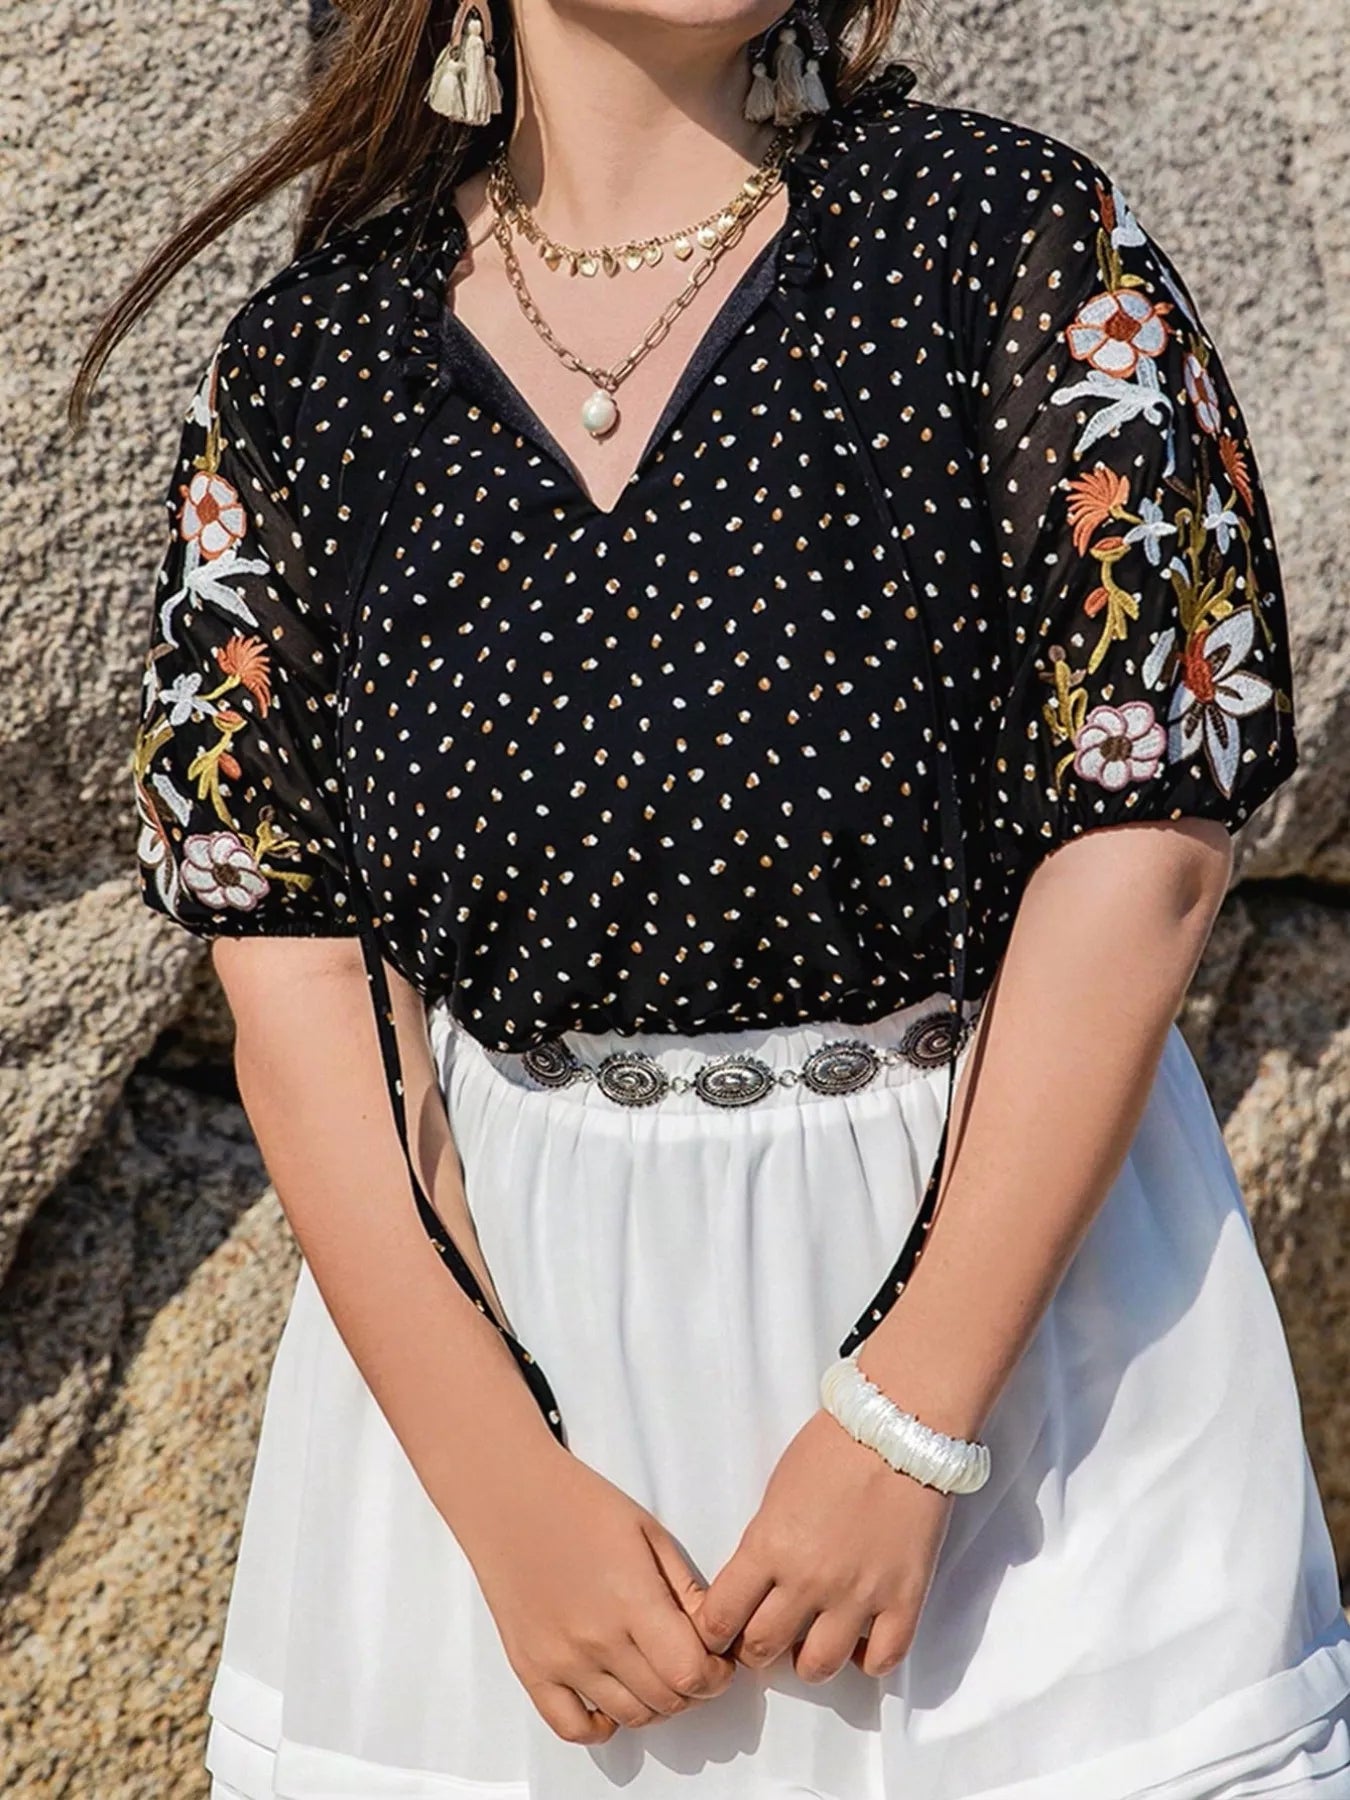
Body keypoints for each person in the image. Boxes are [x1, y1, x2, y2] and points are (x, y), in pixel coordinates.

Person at [72, 0, 1350, 1794]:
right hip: (510, 1404)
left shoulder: (1005, 243)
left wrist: (907, 1427)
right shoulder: (314, 366)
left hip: (1033, 1381)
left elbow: (1143, 836)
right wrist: (505, 1497)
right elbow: (290, 957)